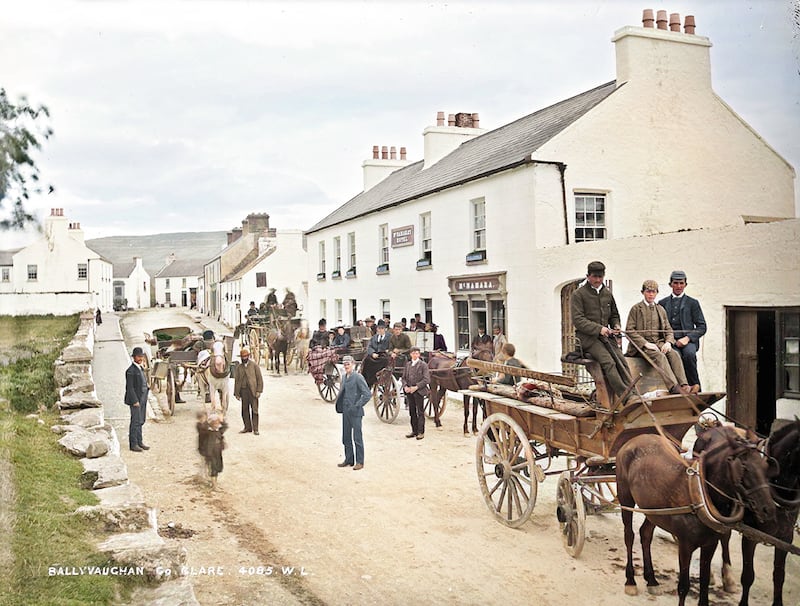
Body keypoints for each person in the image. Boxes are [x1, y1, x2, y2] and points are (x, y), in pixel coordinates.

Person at [571, 261, 631, 401]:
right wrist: (599, 329)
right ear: (588, 276)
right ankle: (625, 397)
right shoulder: (578, 294)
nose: (598, 280)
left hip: (606, 338)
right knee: (608, 362)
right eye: (594, 276)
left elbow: (614, 315)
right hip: (587, 339)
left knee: (621, 360)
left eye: (600, 277)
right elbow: (578, 320)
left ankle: (633, 392)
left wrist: (615, 326)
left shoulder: (607, 294)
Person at [625, 280, 698, 395]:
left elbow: (668, 329)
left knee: (674, 354)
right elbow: (629, 330)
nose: (651, 294)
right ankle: (674, 387)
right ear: (643, 292)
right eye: (648, 291)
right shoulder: (636, 309)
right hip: (641, 347)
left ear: (657, 293)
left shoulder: (660, 309)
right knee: (660, 356)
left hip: (658, 342)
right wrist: (645, 343)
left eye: (653, 292)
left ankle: (684, 385)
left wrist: (668, 342)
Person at [658, 270, 707, 390]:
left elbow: (702, 327)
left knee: (689, 354)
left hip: (688, 341)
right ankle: (679, 388)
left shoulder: (693, 303)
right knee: (674, 356)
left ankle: (696, 386)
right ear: (670, 284)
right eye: (675, 283)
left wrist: (688, 338)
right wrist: (667, 341)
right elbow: (658, 326)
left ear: (685, 284)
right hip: (670, 340)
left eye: (681, 283)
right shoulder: (662, 303)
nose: (678, 286)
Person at [335, 355, 372, 470]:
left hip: (356, 412)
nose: (346, 366)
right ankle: (349, 459)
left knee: (357, 437)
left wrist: (357, 405)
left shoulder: (358, 377)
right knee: (346, 437)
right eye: (345, 364)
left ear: (353, 365)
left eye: (348, 364)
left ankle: (360, 462)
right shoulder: (345, 377)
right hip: (345, 411)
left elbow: (367, 394)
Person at [124, 346, 150, 452]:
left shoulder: (140, 368)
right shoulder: (130, 370)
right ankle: (133, 444)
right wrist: (135, 401)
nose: (140, 359)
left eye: (141, 357)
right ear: (134, 357)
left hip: (143, 398)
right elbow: (129, 388)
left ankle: (140, 442)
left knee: (141, 420)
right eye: (138, 357)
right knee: (135, 421)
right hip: (136, 400)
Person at [233, 346, 263, 435]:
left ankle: (255, 429)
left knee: (255, 410)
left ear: (248, 356)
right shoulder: (239, 367)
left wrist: (259, 391)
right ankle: (247, 427)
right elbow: (237, 380)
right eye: (242, 357)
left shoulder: (254, 366)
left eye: (245, 357)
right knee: (244, 410)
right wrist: (236, 393)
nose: (244, 358)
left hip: (252, 391)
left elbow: (259, 379)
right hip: (243, 391)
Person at [402, 347, 430, 440]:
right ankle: (414, 431)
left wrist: (416, 387)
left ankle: (421, 432)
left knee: (420, 412)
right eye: (413, 353)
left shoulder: (423, 365)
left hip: (419, 391)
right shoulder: (408, 364)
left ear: (419, 355)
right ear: (410, 354)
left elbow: (426, 379)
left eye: (417, 353)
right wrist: (405, 386)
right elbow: (404, 378)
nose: (415, 355)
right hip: (409, 391)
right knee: (412, 411)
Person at [361, 319, 390, 387]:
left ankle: (376, 376)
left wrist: (388, 350)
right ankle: (369, 379)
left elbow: (391, 346)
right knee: (367, 359)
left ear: (385, 329)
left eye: (382, 328)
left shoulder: (389, 337)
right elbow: (369, 347)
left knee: (384, 360)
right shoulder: (374, 337)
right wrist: (373, 353)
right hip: (374, 355)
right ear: (377, 329)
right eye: (379, 328)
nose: (380, 330)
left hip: (383, 355)